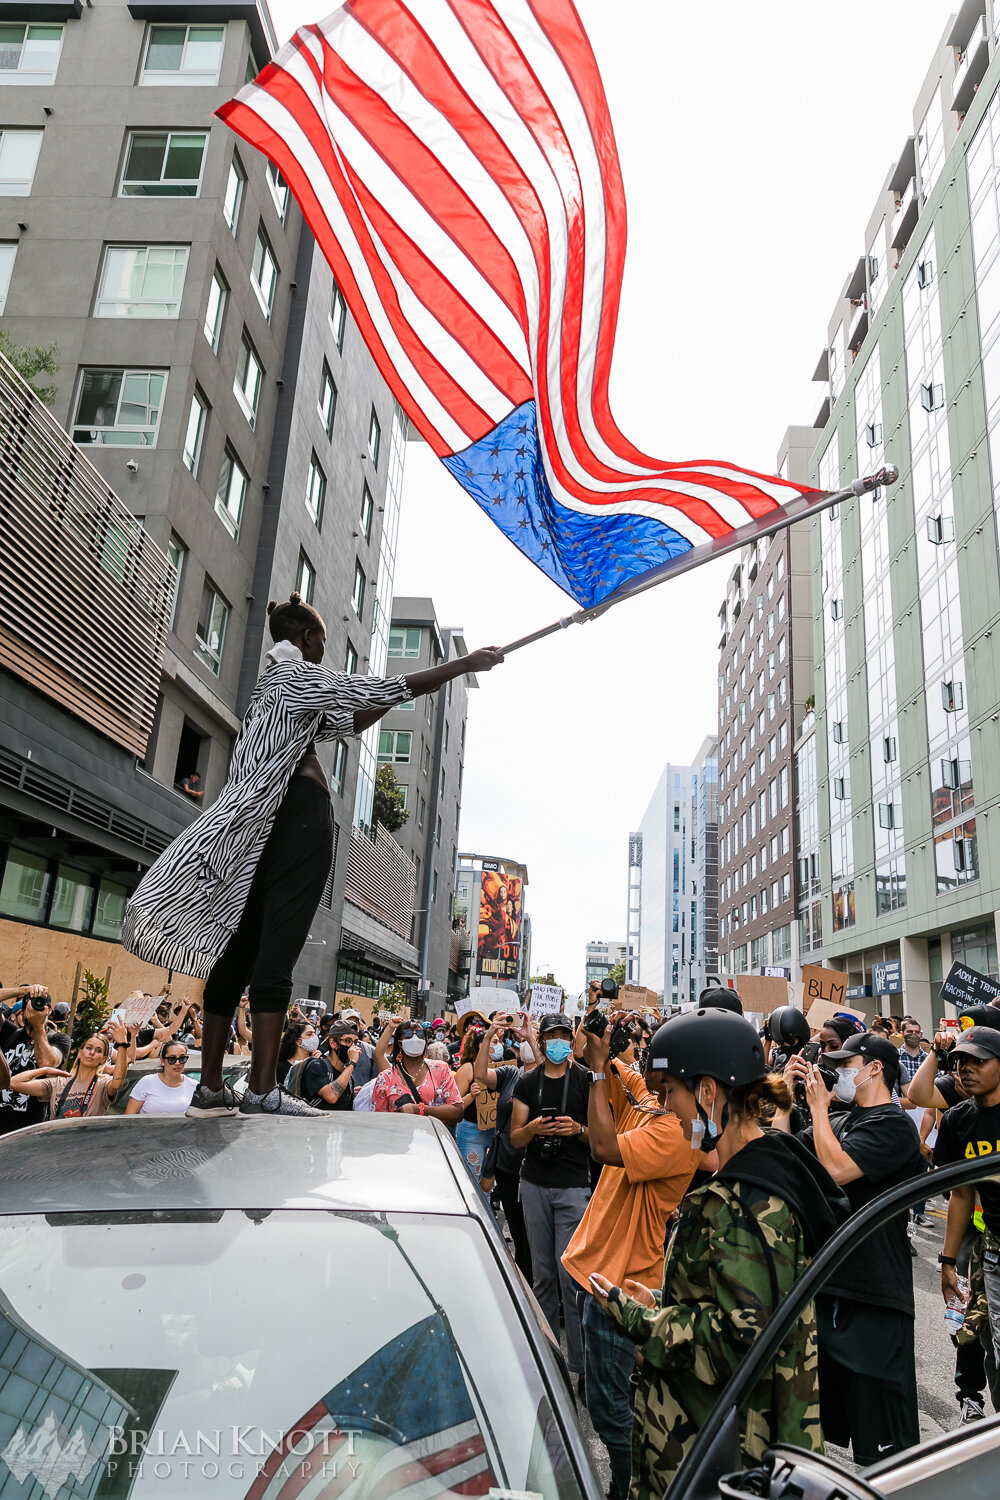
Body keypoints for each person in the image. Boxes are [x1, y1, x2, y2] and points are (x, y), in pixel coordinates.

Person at [121, 589, 503, 1118]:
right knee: (276, 953)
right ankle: (260, 1090)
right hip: (297, 821)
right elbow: (374, 687)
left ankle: (210, 1089)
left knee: (241, 950)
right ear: (305, 638)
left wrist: (389, 697)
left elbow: (350, 718)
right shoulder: (295, 675)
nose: (324, 651)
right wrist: (462, 665)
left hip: (260, 829)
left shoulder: (272, 689)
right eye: (322, 641)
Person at [589, 1008, 846, 1500]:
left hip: (723, 1463)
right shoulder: (761, 1173)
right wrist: (665, 1296)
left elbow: (739, 1341)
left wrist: (638, 1318)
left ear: (708, 1092)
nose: (666, 1108)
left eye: (671, 1094)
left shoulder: (744, 1205)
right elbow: (744, 1302)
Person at [563, 1012, 700, 1500]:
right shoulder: (658, 1108)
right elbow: (637, 1085)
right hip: (599, 1273)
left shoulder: (678, 1132)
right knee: (611, 1399)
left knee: (610, 1411)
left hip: (622, 1286)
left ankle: (635, 1487)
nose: (642, 1057)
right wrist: (608, 1054)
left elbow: (601, 1145)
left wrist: (602, 1069)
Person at [801, 1030, 922, 1466]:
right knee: (831, 1426)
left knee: (885, 1447)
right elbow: (788, 1154)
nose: (838, 1075)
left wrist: (817, 1107)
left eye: (847, 1066)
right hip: (832, 1289)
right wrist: (787, 1103)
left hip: (875, 1294)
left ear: (874, 1069)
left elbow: (834, 1169)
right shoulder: (840, 1120)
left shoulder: (893, 1125)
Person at [510, 1012, 592, 1391]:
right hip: (535, 1184)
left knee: (571, 1279)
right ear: (540, 1042)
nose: (557, 1042)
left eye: (564, 1036)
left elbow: (602, 1139)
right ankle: (546, 1361)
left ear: (570, 1041)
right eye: (551, 1036)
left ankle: (580, 1367)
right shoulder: (528, 1082)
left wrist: (577, 1130)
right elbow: (515, 1138)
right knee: (542, 1276)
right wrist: (533, 1129)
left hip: (574, 1185)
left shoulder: (586, 1081)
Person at [936, 1025, 1000, 1409]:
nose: (966, 1068)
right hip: (993, 1251)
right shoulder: (959, 1120)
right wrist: (946, 1260)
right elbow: (961, 1194)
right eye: (960, 1060)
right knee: (993, 1344)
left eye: (979, 1060)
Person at [474, 1011, 542, 1277]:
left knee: (534, 1232)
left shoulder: (548, 1076)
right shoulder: (510, 1074)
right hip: (507, 1165)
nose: (523, 1040)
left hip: (535, 1166)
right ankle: (524, 1278)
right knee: (516, 1227)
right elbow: (480, 1073)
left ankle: (538, 1281)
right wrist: (491, 1033)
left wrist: (531, 1037)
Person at [11, 1023, 133, 1119]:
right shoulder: (58, 1083)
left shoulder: (103, 1083)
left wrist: (122, 1044)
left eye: (98, 1051)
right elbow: (14, 1083)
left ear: (103, 1059)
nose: (92, 1053)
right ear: (80, 1053)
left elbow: (117, 1082)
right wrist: (44, 1069)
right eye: (89, 1048)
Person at [371, 1017, 463, 1123]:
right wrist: (390, 1028)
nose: (415, 1039)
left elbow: (457, 1111)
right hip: (398, 1137)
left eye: (419, 1035)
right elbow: (378, 1120)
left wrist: (418, 1109)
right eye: (409, 1035)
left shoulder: (441, 1069)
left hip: (432, 1137)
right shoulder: (386, 1078)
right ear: (399, 1043)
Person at [0, 991, 61, 1134]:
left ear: (49, 1010)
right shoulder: (10, 1032)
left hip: (28, 1129)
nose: (33, 1009)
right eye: (29, 1004)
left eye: (39, 1004)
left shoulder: (58, 1039)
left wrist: (39, 1026)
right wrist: (23, 991)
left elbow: (47, 1063)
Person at [288, 1020, 360, 1110]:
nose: (353, 1046)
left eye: (356, 1042)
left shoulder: (349, 1078)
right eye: (348, 1041)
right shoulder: (317, 1066)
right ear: (333, 1043)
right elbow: (331, 1097)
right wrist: (352, 1063)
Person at [454, 1024, 495, 1178]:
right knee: (471, 1179)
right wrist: (471, 1096)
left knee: (487, 1183)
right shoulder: (467, 1069)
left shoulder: (501, 1068)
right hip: (472, 1132)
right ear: (481, 1045)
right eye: (494, 1041)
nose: (499, 1046)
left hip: (493, 1133)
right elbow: (454, 1107)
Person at [125, 1042, 196, 1115]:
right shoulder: (146, 1082)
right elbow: (129, 1117)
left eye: (182, 1058)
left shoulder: (194, 1085)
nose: (177, 1063)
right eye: (172, 1059)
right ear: (162, 1060)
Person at [276, 1018, 319, 1084]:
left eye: (314, 1033)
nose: (315, 1037)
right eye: (309, 1034)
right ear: (298, 1041)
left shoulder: (317, 1063)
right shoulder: (280, 1068)